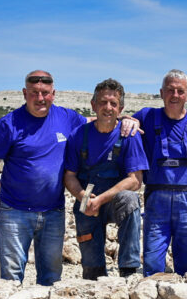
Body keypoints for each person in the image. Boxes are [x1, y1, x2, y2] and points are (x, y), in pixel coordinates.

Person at [0, 70, 137, 286]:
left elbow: (101, 120)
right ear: (25, 93)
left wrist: (126, 119)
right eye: (34, 93)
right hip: (14, 212)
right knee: (11, 280)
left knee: (51, 279)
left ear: (53, 93)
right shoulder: (8, 124)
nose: (40, 98)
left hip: (53, 213)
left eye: (45, 93)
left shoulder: (67, 118)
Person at [63, 78, 148, 280]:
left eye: (113, 103)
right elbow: (69, 176)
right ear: (93, 105)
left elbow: (135, 180)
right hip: (87, 197)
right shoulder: (78, 136)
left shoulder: (129, 135)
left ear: (121, 108)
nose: (108, 108)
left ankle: (129, 269)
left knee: (130, 199)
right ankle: (94, 272)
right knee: (93, 272)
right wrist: (84, 197)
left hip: (113, 200)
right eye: (103, 102)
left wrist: (100, 200)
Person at [133, 69, 187, 277]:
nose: (175, 95)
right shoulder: (146, 116)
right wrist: (126, 119)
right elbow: (121, 122)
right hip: (156, 199)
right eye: (170, 90)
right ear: (161, 92)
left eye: (180, 91)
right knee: (152, 262)